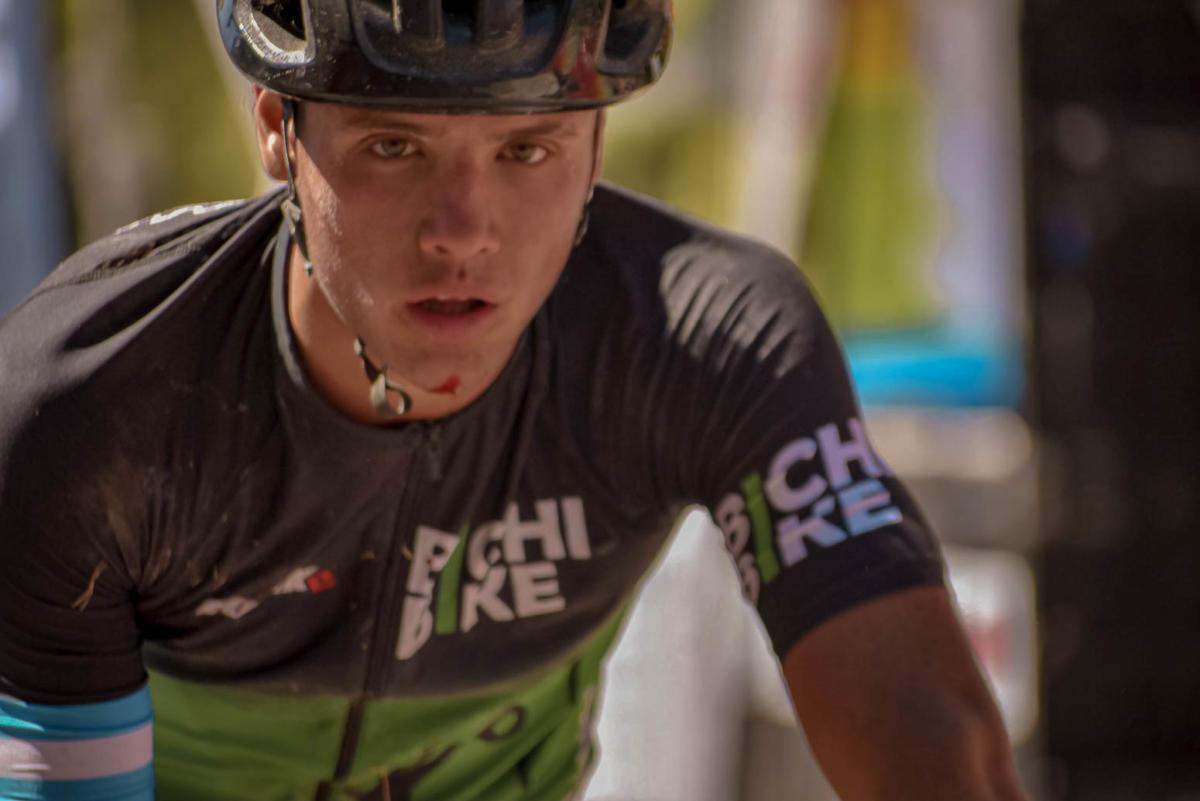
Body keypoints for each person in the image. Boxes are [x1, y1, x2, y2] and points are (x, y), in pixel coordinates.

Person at [0, 1, 1027, 799]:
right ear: (278, 127)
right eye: (394, 147)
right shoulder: (91, 401)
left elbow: (938, 750)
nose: (462, 231)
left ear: (597, 149)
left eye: (526, 150)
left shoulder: (704, 343)